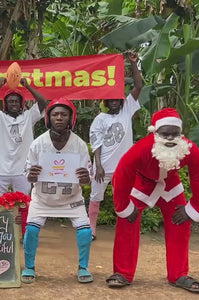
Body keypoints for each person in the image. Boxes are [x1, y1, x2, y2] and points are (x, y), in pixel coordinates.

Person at [105, 108, 199, 294]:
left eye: (175, 133)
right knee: (127, 220)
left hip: (171, 184)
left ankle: (178, 274)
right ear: (155, 133)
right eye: (165, 134)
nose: (170, 138)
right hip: (143, 183)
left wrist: (192, 208)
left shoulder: (187, 148)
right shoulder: (142, 149)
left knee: (180, 222)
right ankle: (122, 272)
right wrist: (124, 206)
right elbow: (122, 173)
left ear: (180, 133)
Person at [21, 98, 93, 284]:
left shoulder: (79, 145)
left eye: (64, 114)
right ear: (48, 118)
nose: (59, 118)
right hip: (42, 198)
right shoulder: (38, 144)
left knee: (85, 232)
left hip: (71, 198)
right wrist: (32, 175)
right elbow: (27, 173)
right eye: (55, 114)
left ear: (71, 118)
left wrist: (86, 178)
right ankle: (29, 267)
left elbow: (88, 176)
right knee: (31, 230)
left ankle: (83, 267)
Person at [88, 51, 143, 239]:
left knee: (125, 198)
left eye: (116, 99)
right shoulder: (100, 119)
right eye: (109, 100)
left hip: (123, 167)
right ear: (106, 102)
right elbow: (96, 143)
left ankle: (127, 229)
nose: (113, 102)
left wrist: (133, 64)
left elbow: (138, 86)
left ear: (120, 100)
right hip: (103, 167)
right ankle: (91, 229)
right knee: (96, 198)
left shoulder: (127, 109)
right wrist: (99, 166)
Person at [0, 76, 47, 236]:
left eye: (16, 101)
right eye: (10, 101)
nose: (13, 104)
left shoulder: (28, 117)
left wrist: (29, 87)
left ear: (21, 104)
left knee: (24, 203)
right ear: (6, 104)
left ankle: (23, 233)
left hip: (22, 170)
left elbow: (43, 103)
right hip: (0, 169)